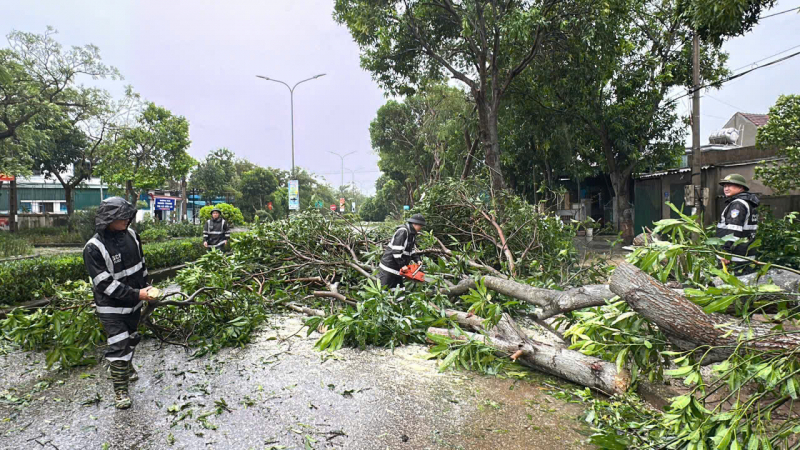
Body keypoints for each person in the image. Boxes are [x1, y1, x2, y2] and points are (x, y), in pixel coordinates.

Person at [83, 197, 156, 409]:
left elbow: (141, 266)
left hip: (134, 304)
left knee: (132, 338)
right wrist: (139, 294)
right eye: (122, 217)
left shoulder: (133, 235)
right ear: (108, 219)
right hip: (111, 308)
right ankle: (120, 391)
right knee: (119, 344)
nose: (127, 220)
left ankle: (124, 368)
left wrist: (147, 286)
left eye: (128, 215)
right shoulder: (93, 248)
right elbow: (106, 285)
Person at [716, 174, 760, 271]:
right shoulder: (749, 203)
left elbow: (733, 230)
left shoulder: (738, 204)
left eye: (729, 185)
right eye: (725, 186)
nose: (726, 188)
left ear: (740, 187)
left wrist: (725, 252)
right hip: (746, 253)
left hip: (735, 256)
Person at [378, 214, 425, 289]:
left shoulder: (411, 234)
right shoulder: (403, 232)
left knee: (399, 291)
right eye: (420, 226)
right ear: (415, 224)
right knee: (385, 291)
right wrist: (402, 265)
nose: (421, 228)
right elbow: (396, 252)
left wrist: (417, 260)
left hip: (397, 269)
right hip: (389, 268)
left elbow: (411, 250)